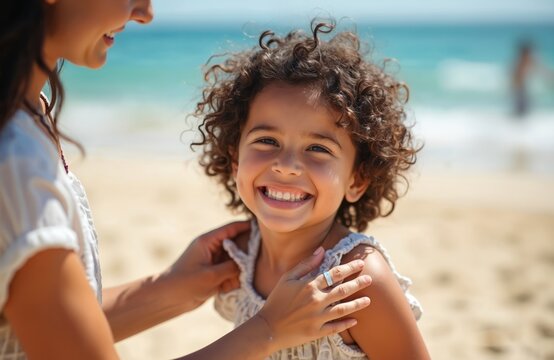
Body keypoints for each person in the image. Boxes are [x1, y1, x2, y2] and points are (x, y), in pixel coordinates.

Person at [0, 1, 374, 359]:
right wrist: (267, 330)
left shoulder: (30, 113)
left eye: (318, 149)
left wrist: (170, 290)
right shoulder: (14, 156)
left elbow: (41, 331)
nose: (145, 13)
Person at [193, 20, 430, 359]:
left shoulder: (358, 281)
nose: (286, 165)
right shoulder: (239, 258)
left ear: (357, 180)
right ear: (235, 160)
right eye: (266, 140)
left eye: (318, 149)